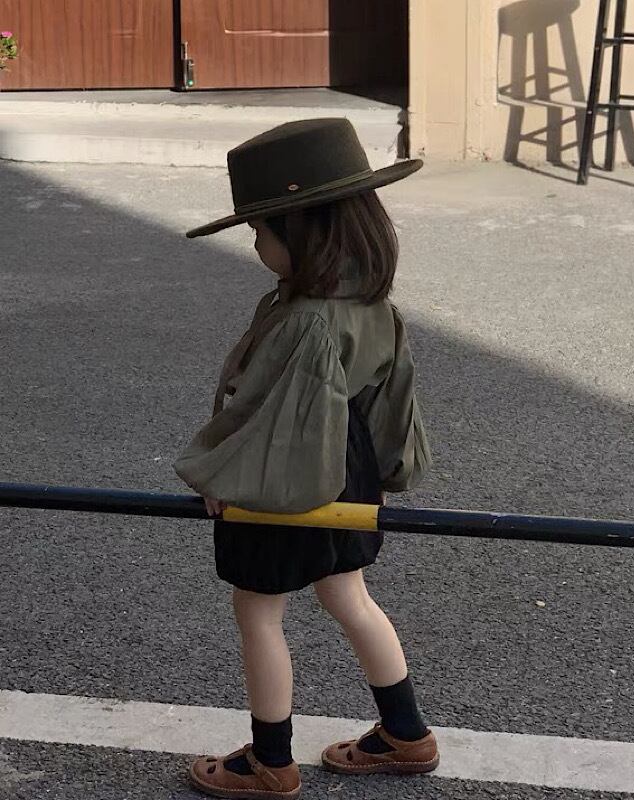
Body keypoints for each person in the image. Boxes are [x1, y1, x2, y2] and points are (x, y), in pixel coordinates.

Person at [173, 118, 438, 800]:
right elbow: (392, 398)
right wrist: (383, 474)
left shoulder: (304, 320)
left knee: (258, 611)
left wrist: (225, 478)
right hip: (348, 466)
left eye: (260, 230)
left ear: (303, 231)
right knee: (349, 596)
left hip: (282, 469)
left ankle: (270, 761)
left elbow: (266, 417)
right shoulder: (369, 302)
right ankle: (406, 732)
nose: (256, 243)